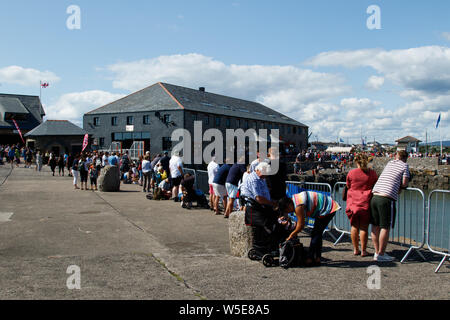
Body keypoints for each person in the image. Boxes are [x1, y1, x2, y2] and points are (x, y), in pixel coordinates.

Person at [278, 191, 341, 267]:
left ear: (288, 205)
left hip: (328, 208)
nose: (288, 212)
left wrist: (291, 235)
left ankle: (310, 259)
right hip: (326, 207)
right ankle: (317, 258)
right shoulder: (294, 199)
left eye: (287, 211)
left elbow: (301, 225)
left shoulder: (298, 206)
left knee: (315, 233)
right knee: (318, 233)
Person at [370, 150, 410, 262]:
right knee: (385, 226)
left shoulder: (390, 163)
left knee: (375, 225)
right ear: (406, 157)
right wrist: (400, 187)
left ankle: (376, 252)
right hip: (386, 198)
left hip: (375, 195)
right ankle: (381, 254)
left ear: (396, 156)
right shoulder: (405, 165)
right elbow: (405, 182)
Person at [345, 153, 378, 257]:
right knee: (364, 227)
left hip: (353, 202)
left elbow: (348, 185)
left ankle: (356, 249)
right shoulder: (372, 173)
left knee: (354, 226)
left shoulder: (351, 173)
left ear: (356, 162)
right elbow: (375, 184)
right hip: (366, 202)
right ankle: (363, 250)